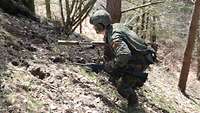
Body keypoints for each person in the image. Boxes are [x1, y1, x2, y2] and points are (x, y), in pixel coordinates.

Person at [89, 10, 155, 109]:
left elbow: (124, 55)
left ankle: (133, 106)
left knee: (123, 88)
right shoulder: (116, 27)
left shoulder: (114, 36)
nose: (94, 28)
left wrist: (110, 66)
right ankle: (130, 83)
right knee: (116, 73)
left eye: (95, 26)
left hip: (139, 60)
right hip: (140, 56)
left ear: (100, 25)